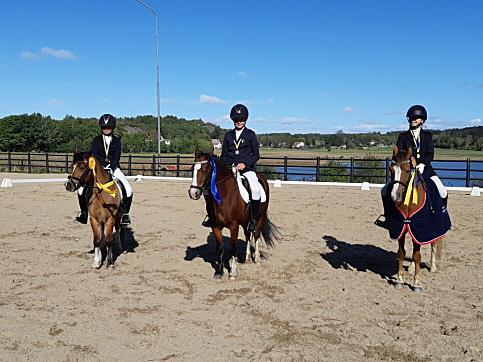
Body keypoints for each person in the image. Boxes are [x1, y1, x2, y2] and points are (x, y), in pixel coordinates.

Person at [375, 104, 448, 229]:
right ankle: (388, 217)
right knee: (384, 190)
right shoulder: (403, 136)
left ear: (422, 120)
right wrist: (406, 162)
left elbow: (430, 153)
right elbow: (399, 153)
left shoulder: (427, 136)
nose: (413, 120)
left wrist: (422, 164)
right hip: (406, 170)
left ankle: (441, 214)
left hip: (424, 168)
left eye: (416, 118)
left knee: (442, 190)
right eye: (411, 118)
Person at [202, 104, 261, 232]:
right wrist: (229, 164)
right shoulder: (228, 135)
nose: (239, 122)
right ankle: (211, 215)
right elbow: (224, 155)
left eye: (241, 120)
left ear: (245, 120)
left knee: (255, 190)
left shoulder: (251, 135)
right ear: (233, 120)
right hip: (230, 170)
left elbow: (256, 155)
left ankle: (253, 220)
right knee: (209, 188)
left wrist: (244, 164)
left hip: (247, 169)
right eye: (236, 120)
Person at [76, 113, 133, 225]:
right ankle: (83, 213)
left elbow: (117, 155)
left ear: (113, 127)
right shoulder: (96, 140)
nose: (106, 129)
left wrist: (111, 166)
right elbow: (95, 154)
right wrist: (101, 166)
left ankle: (125, 215)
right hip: (98, 168)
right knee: (81, 189)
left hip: (114, 168)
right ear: (101, 128)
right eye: (104, 127)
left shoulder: (116, 141)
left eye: (108, 127)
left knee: (128, 189)